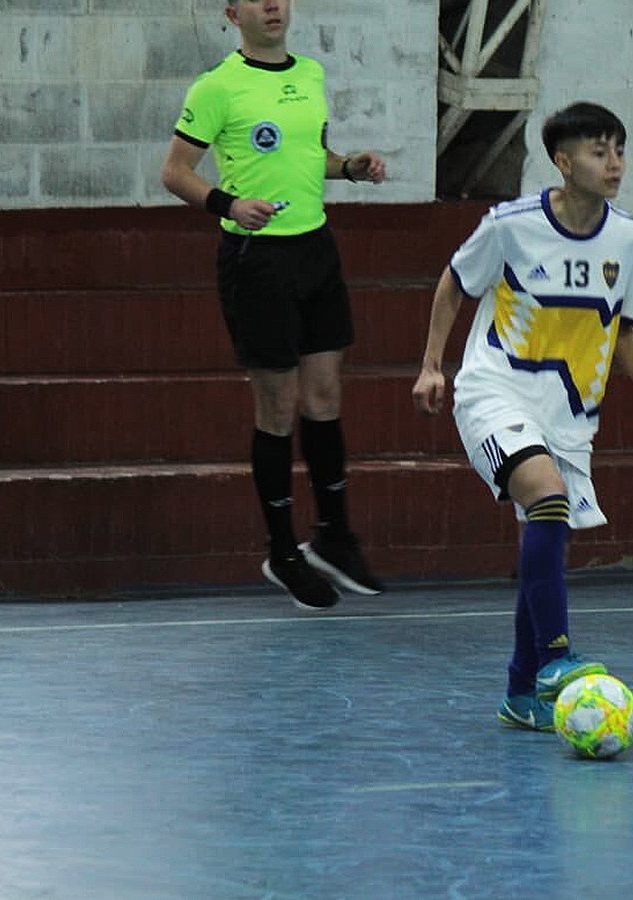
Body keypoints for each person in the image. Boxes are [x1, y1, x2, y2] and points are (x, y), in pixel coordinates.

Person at [410, 102, 633, 730]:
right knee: (548, 499)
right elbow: (455, 282)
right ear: (563, 163)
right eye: (597, 150)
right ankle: (557, 658)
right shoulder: (511, 225)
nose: (612, 163)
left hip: (569, 417)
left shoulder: (630, 240)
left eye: (618, 149)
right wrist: (431, 365)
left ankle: (520, 691)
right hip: (494, 392)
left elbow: (624, 330)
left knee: (545, 531)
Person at [160, 0, 386, 610]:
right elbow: (175, 172)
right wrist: (228, 205)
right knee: (278, 407)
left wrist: (351, 167)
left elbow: (312, 157)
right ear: (232, 13)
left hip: (316, 248)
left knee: (325, 399)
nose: (272, 6)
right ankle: (283, 552)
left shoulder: (309, 75)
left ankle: (334, 538)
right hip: (256, 262)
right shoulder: (217, 88)